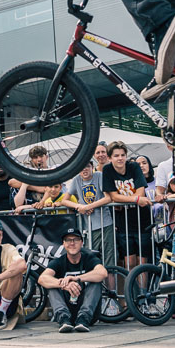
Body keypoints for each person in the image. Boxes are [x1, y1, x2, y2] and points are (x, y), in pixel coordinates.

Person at [40, 226, 109, 333]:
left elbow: (103, 273)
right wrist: (64, 284)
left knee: (96, 282)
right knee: (52, 284)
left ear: (81, 243)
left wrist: (77, 278)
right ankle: (63, 317)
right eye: (68, 240)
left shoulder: (89, 258)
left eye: (76, 240)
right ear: (63, 244)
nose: (72, 243)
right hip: (67, 312)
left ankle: (83, 317)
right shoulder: (59, 261)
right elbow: (42, 278)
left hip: (88, 315)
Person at [102, 141, 151, 272]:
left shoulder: (134, 166)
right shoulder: (107, 170)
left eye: (123, 155)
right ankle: (131, 291)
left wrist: (133, 198)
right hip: (123, 220)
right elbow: (113, 196)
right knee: (129, 261)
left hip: (142, 218)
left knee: (142, 262)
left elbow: (141, 191)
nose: (120, 158)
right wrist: (135, 199)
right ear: (110, 157)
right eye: (116, 155)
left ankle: (142, 291)